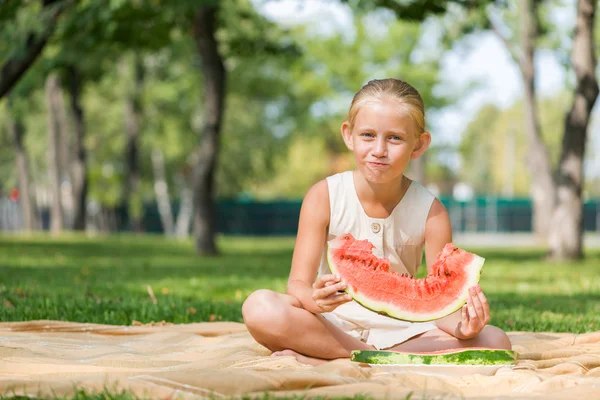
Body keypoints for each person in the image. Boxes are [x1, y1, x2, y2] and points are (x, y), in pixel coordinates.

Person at [242, 78, 512, 366]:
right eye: (368, 135)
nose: (379, 150)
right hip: (330, 321)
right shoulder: (324, 196)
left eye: (395, 138)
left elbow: (439, 304)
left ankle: (334, 355)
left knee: (496, 341)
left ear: (419, 145)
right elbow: (297, 284)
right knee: (259, 307)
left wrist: (463, 325)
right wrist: (315, 300)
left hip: (401, 329)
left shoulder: (432, 212)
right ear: (349, 135)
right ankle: (369, 355)